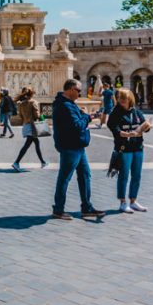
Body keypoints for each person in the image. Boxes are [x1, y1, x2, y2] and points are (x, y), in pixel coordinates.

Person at [51, 79, 105, 220]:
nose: (80, 93)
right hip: (70, 147)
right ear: (69, 89)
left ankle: (86, 207)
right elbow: (76, 126)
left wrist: (86, 116)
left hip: (77, 146)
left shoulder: (68, 104)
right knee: (64, 178)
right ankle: (58, 209)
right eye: (78, 90)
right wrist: (87, 117)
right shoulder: (65, 106)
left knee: (85, 175)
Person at [106, 89, 153, 213]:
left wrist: (147, 127)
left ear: (130, 99)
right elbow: (114, 129)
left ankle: (133, 201)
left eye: (125, 99)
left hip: (138, 148)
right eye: (120, 99)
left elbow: (143, 125)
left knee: (136, 175)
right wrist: (127, 134)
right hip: (124, 149)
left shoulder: (136, 112)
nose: (122, 102)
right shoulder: (115, 113)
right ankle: (122, 202)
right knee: (124, 176)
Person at [12, 88, 46, 172]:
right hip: (32, 126)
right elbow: (37, 116)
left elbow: (20, 116)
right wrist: (41, 115)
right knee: (28, 145)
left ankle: (43, 162)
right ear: (32, 94)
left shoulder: (21, 104)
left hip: (26, 125)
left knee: (35, 143)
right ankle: (16, 162)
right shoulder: (33, 102)